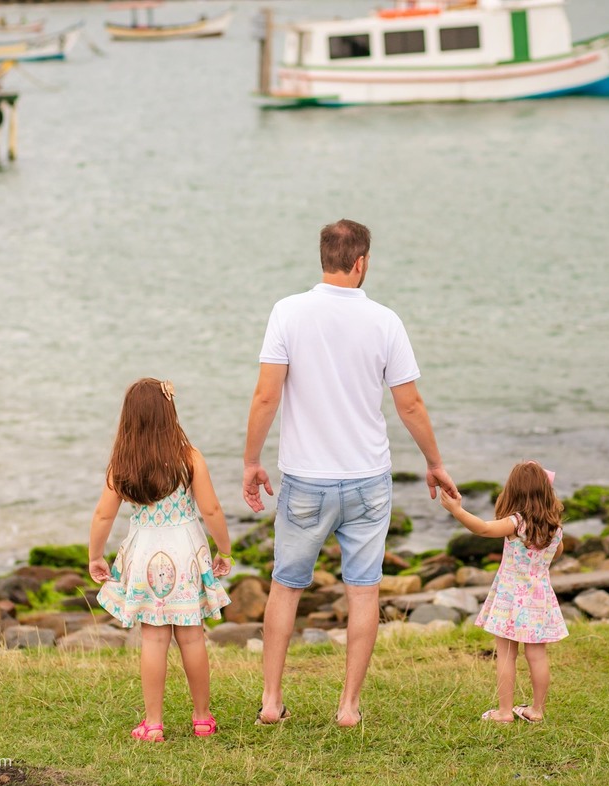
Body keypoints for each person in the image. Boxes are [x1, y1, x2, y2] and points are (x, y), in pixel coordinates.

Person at [243, 219, 458, 728]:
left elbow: (266, 395)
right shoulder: (385, 321)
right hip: (367, 480)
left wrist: (251, 461)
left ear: (323, 257)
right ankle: (348, 707)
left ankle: (272, 702)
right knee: (363, 590)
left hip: (304, 481)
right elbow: (410, 405)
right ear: (360, 262)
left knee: (285, 587)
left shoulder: (287, 312)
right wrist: (434, 462)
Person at [88, 378, 233, 742]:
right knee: (192, 637)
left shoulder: (124, 463)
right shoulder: (189, 457)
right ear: (170, 412)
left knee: (153, 640)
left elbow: (103, 516)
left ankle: (153, 723)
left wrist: (95, 555)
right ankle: (202, 718)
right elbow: (211, 508)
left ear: (129, 418)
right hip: (185, 549)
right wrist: (224, 549)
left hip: (145, 551)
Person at [439, 461, 568, 724]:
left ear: (513, 491)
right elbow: (558, 553)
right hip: (539, 598)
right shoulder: (554, 528)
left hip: (511, 599)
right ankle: (536, 710)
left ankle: (505, 712)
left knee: (507, 654)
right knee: (537, 655)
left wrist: (457, 510)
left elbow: (484, 528)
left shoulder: (515, 523)